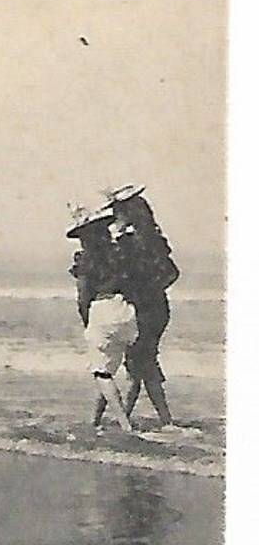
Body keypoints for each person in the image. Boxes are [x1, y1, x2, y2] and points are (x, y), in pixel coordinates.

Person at [107, 183, 180, 429]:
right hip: (157, 307)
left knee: (138, 364)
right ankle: (158, 418)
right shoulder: (153, 237)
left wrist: (138, 292)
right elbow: (172, 273)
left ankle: (133, 419)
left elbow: (119, 277)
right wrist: (153, 290)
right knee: (144, 362)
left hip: (140, 309)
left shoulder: (127, 241)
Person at [68, 203, 138, 435]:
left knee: (102, 373)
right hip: (126, 310)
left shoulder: (86, 261)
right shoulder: (118, 253)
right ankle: (95, 420)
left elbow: (83, 297)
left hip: (102, 310)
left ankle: (125, 425)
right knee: (110, 369)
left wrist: (87, 321)